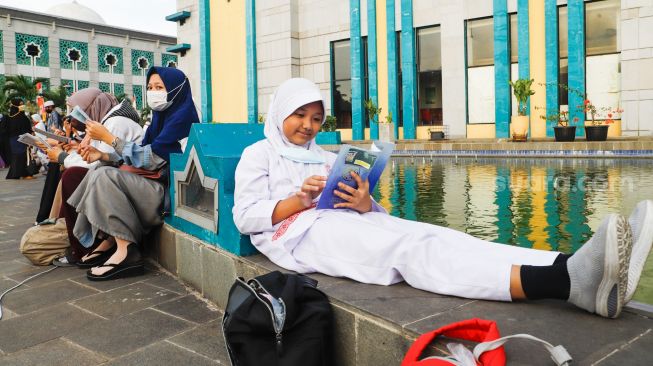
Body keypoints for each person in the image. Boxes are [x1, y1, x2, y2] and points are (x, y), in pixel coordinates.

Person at [233, 78, 653, 319]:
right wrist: (299, 201)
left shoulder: (324, 156)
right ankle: (566, 283)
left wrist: (364, 202)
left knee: (447, 236)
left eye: (316, 118)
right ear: (278, 114)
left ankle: (575, 264)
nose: (308, 126)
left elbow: (358, 207)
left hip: (346, 220)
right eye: (299, 116)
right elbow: (245, 217)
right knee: (409, 249)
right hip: (302, 238)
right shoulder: (260, 153)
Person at [68, 66, 199, 280]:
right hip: (152, 186)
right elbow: (138, 157)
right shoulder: (160, 118)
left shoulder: (182, 119)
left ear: (176, 89)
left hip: (169, 196)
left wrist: (109, 138)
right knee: (100, 170)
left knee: (104, 176)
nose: (153, 92)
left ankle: (126, 250)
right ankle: (110, 238)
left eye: (159, 87)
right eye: (149, 87)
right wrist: (101, 156)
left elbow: (152, 160)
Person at [51, 90, 144, 266]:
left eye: (79, 112)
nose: (76, 119)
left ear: (93, 107)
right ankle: (83, 243)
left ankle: (85, 247)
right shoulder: (106, 121)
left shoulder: (115, 123)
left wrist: (63, 158)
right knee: (70, 175)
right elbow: (96, 156)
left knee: (72, 176)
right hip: (120, 174)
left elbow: (102, 162)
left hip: (127, 179)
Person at [5, 98, 35, 180]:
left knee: (19, 156)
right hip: (19, 139)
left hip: (16, 139)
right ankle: (22, 173)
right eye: (21, 104)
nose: (22, 106)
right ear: (16, 105)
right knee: (20, 155)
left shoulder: (10, 117)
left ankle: (17, 173)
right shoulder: (17, 117)